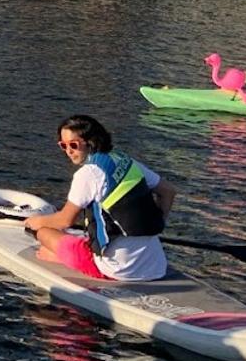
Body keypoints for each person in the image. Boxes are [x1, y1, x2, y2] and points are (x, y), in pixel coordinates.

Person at [24, 114, 175, 282]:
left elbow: (65, 220)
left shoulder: (88, 173)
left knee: (43, 232)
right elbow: (168, 191)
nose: (68, 151)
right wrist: (157, 224)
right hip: (156, 265)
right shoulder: (125, 161)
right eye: (63, 145)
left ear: (91, 142)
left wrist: (35, 221)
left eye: (73, 145)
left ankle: (61, 258)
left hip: (117, 270)